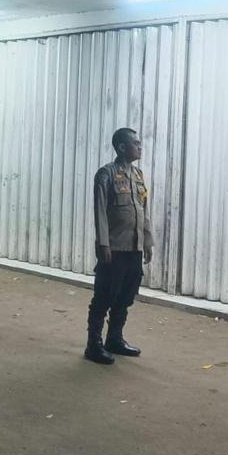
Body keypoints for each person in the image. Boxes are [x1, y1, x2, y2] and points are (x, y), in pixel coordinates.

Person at [85, 127, 153, 365]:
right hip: (114, 249)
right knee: (104, 296)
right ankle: (94, 345)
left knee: (125, 297)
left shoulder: (138, 175)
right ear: (122, 147)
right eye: (136, 144)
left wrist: (147, 242)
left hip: (134, 248)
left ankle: (114, 339)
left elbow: (143, 211)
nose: (140, 147)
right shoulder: (106, 174)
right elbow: (100, 212)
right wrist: (103, 244)